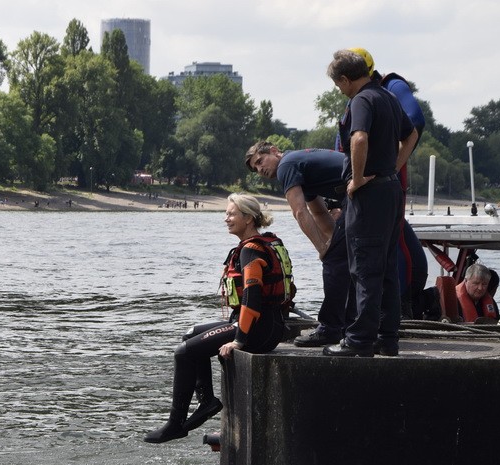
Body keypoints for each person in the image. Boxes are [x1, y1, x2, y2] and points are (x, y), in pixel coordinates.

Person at [145, 194, 294, 443]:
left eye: (231, 214)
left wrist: (238, 340)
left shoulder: (251, 250)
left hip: (260, 329)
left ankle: (175, 423)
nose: (226, 218)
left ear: (248, 218)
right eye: (226, 213)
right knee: (192, 334)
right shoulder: (265, 242)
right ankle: (207, 402)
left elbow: (252, 300)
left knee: (183, 352)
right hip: (268, 324)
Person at [324, 49, 416, 358]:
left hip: (370, 194)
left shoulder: (361, 100)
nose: (340, 90)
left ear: (346, 79)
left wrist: (358, 178)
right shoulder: (388, 96)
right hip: (391, 191)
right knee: (387, 266)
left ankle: (359, 340)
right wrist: (394, 166)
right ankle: (387, 338)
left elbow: (359, 138)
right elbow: (411, 133)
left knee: (363, 268)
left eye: (339, 85)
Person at [245, 141, 351, 347]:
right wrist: (331, 243)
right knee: (344, 258)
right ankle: (352, 323)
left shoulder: (286, 165)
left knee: (334, 263)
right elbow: (319, 212)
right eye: (256, 169)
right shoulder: (299, 163)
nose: (260, 169)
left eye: (260, 161)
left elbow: (300, 212)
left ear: (275, 151)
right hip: (370, 189)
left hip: (361, 189)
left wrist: (325, 250)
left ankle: (330, 329)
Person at [349, 47, 428, 319]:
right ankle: (384, 316)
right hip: (366, 184)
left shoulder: (390, 87)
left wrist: (393, 163)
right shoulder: (364, 97)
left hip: (380, 181)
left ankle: (395, 309)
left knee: (388, 246)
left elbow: (415, 121)